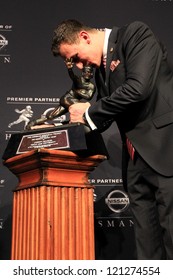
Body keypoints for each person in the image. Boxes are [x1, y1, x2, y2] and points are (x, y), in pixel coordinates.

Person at [51, 19, 173, 260]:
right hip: (135, 161)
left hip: (164, 152)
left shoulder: (135, 34)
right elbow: (106, 115)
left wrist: (89, 113)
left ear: (85, 37)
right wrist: (65, 127)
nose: (78, 65)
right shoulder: (100, 72)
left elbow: (137, 89)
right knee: (146, 246)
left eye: (75, 57)